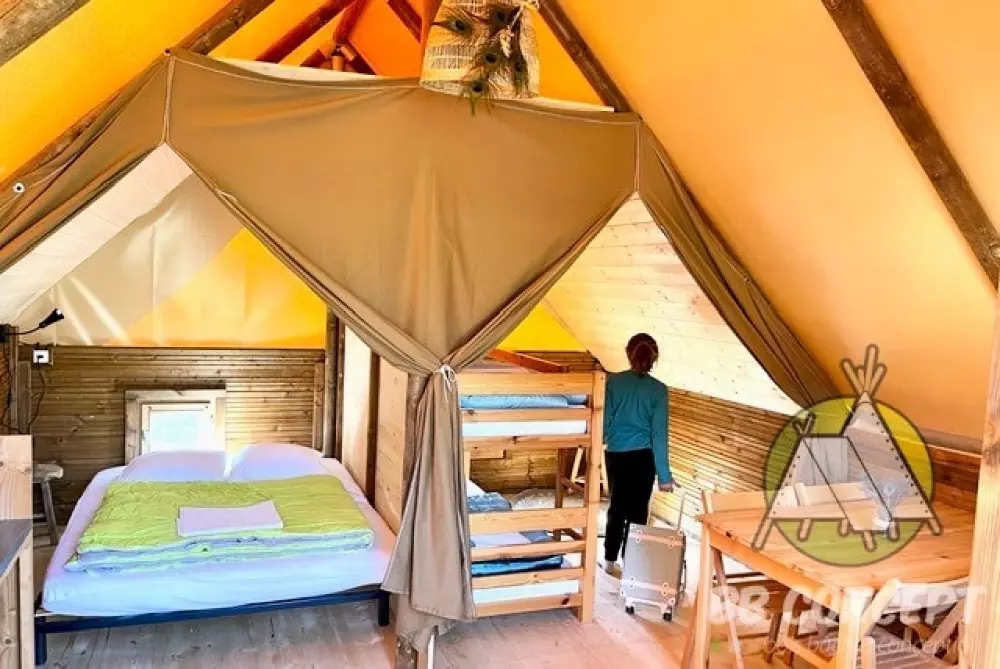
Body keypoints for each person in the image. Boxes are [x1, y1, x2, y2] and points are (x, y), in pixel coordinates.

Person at [602, 333, 673, 574]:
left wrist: (600, 440)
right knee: (638, 512)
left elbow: (604, 421)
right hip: (644, 459)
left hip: (617, 455)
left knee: (616, 508)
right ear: (654, 358)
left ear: (628, 353)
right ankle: (631, 562)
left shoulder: (614, 383)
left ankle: (609, 560)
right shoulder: (659, 390)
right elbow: (659, 435)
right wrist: (664, 477)